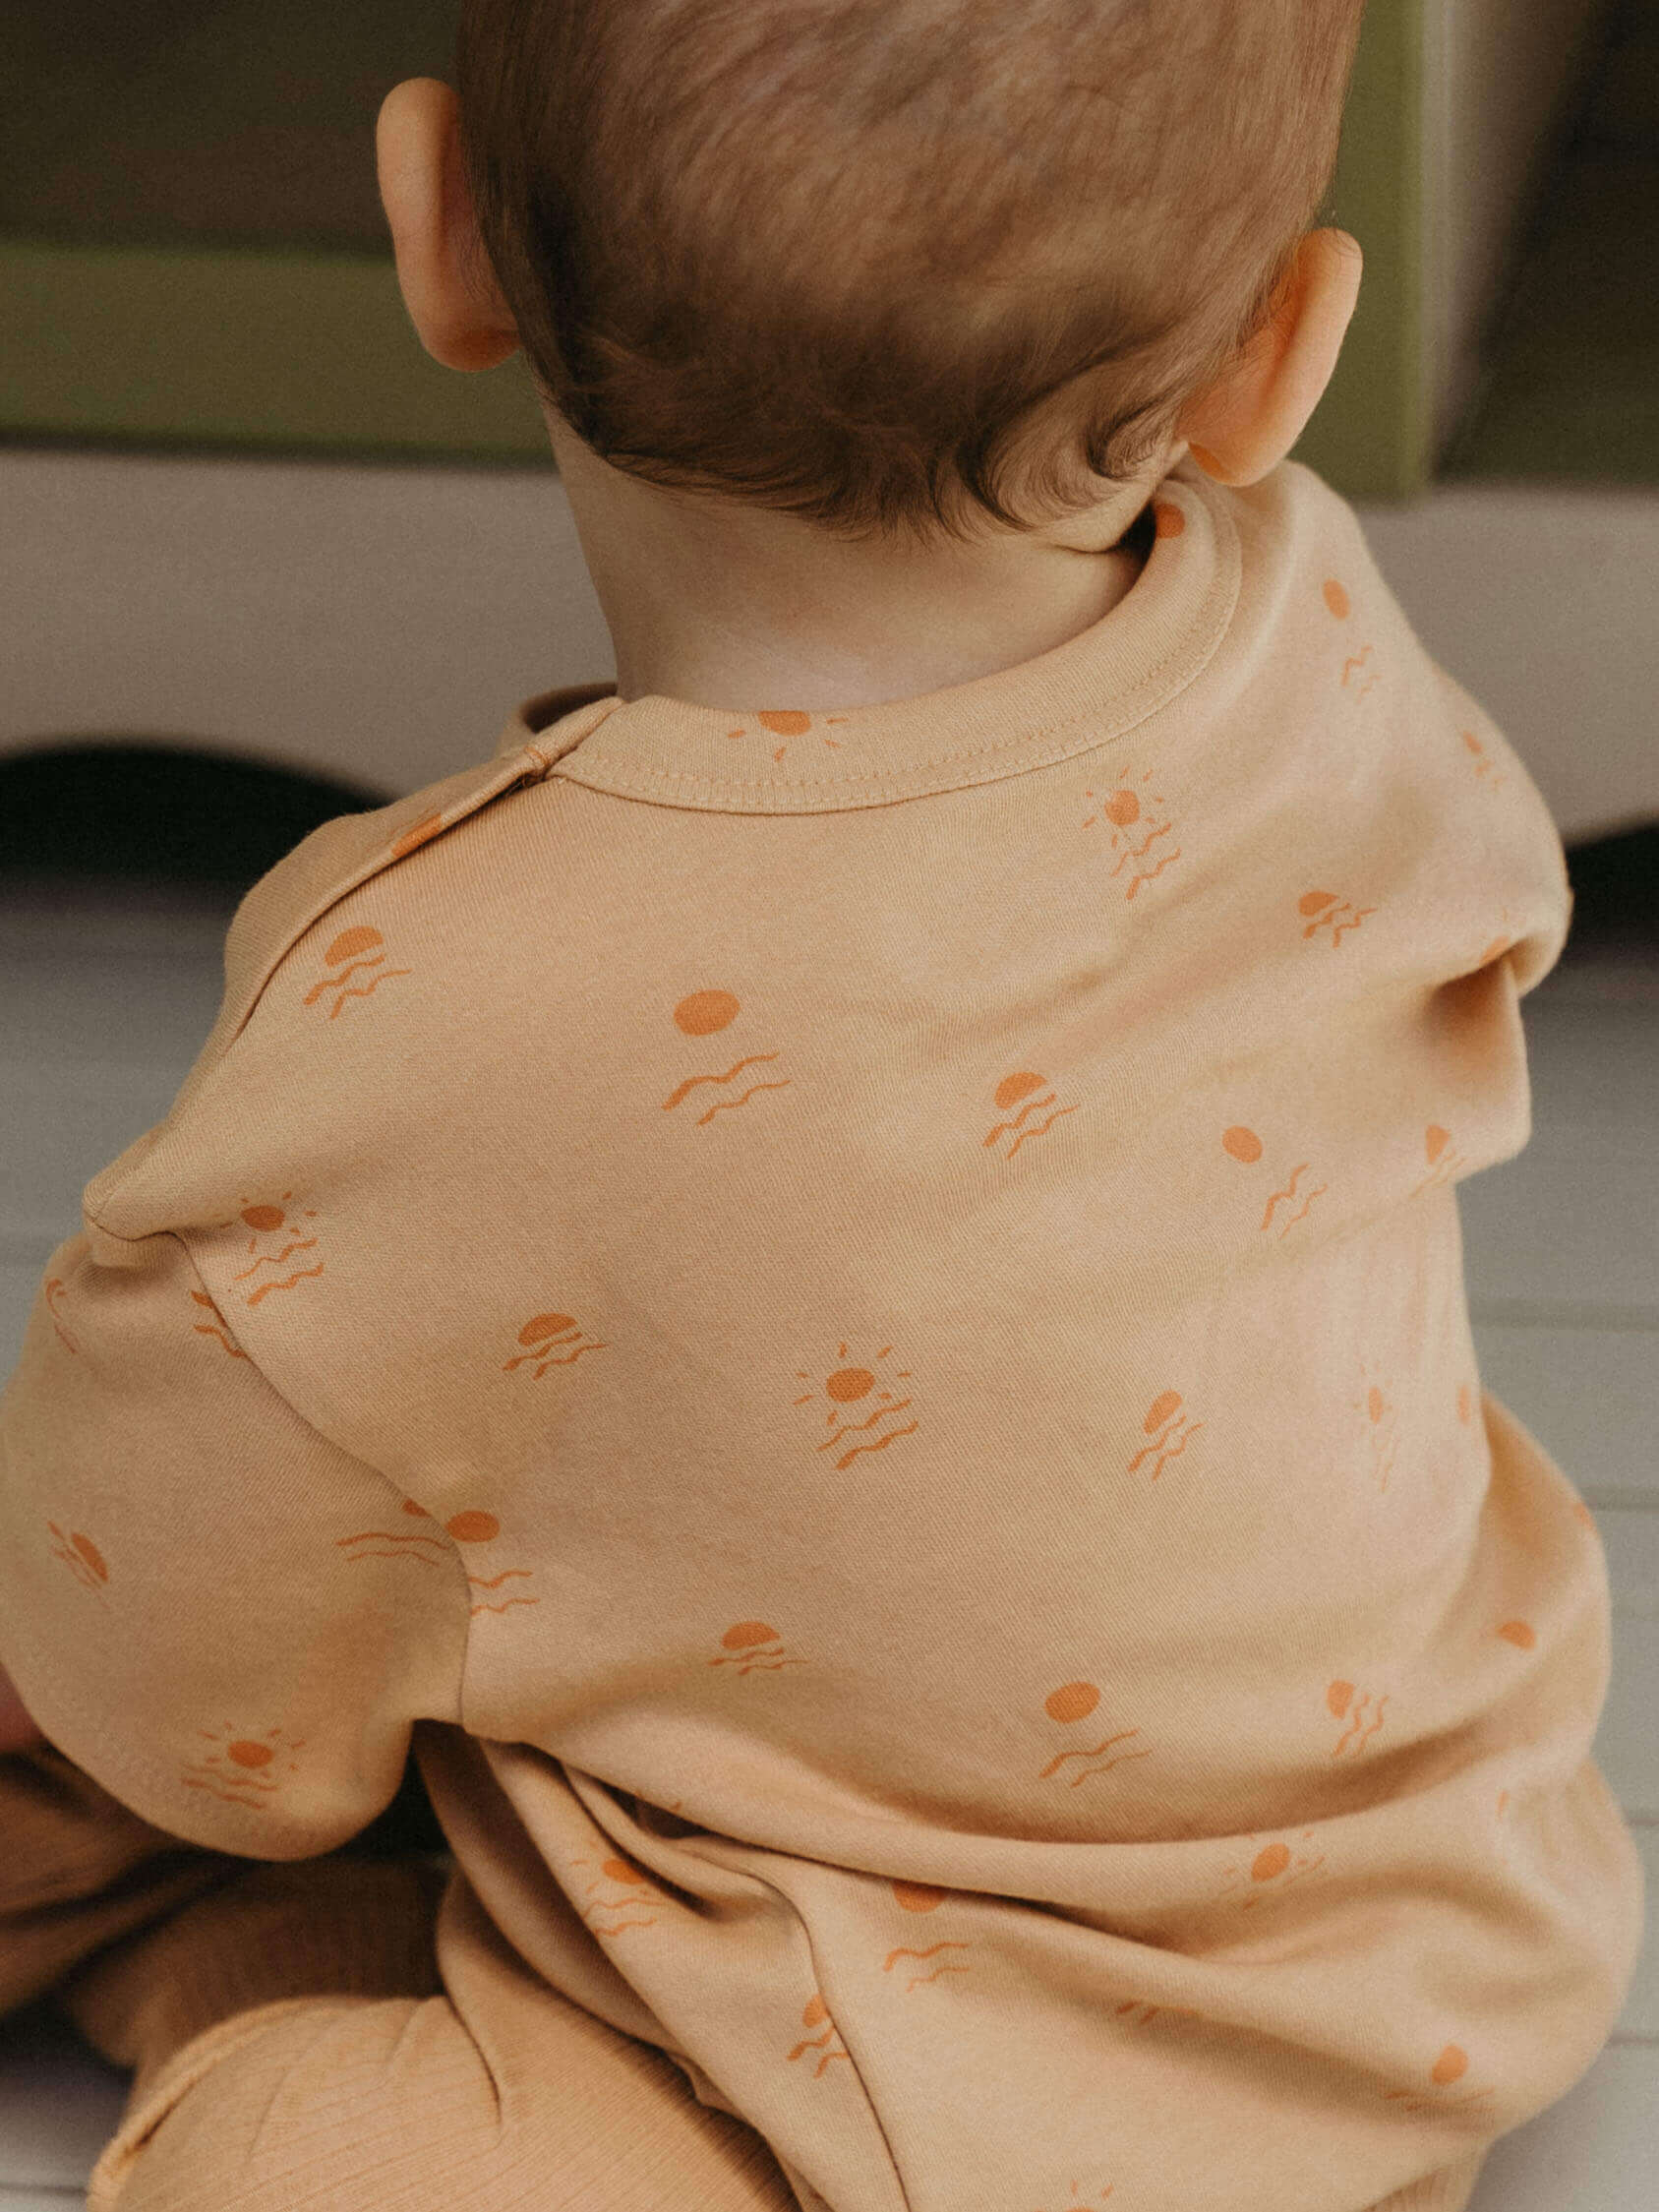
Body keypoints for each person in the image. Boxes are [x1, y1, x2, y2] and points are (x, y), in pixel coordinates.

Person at [0, 5, 1642, 2208]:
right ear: (1278, 352)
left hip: (896, 2109)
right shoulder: (1309, 635)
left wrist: (164, 1768)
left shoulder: (424, 1018)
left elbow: (162, 1657)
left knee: (287, 2129)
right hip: (1432, 1923)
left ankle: (272, 1973)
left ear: (438, 227)